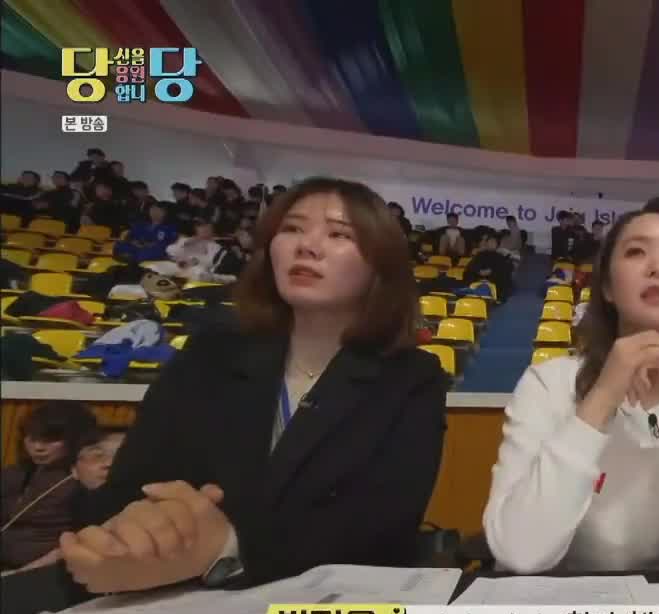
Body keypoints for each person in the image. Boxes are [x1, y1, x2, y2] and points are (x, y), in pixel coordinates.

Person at [60, 177, 450, 593]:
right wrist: (129, 536)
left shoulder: (411, 378)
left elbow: (381, 535)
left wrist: (227, 548)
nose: (307, 246)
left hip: (320, 610)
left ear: (380, 267)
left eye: (339, 234)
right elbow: (130, 488)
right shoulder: (210, 352)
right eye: (292, 228)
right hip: (171, 597)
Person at [484, 197, 659, 574]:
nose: (658, 268)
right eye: (636, 252)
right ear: (606, 286)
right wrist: (602, 396)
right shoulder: (548, 384)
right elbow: (519, 552)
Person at [1, 402, 98, 571]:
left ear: (76, 440)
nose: (38, 447)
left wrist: (19, 575)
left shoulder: (84, 481)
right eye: (32, 438)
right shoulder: (16, 473)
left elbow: (83, 541)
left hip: (44, 572)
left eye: (51, 440)